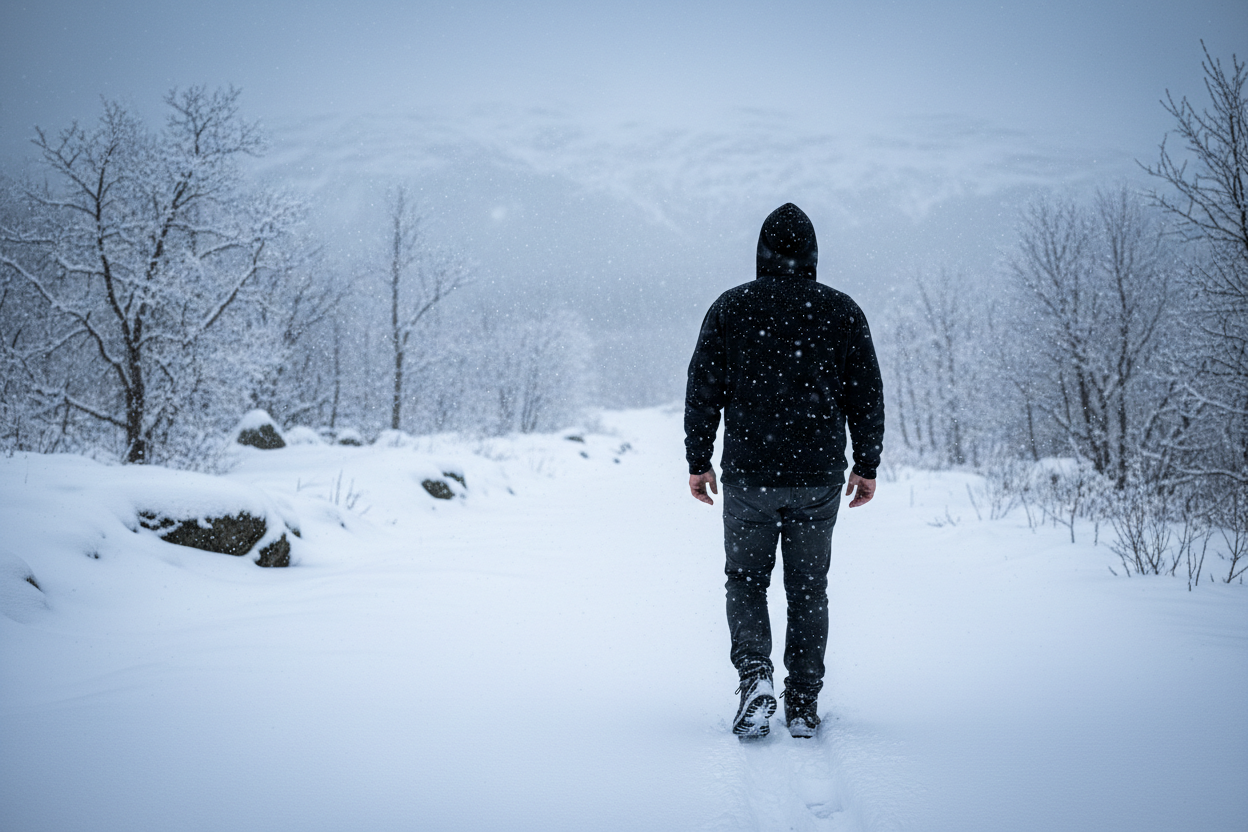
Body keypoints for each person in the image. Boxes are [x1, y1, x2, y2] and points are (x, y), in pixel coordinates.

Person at [684, 203, 884, 739]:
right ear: (813, 254)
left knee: (746, 581)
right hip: (818, 477)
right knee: (807, 586)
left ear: (761, 252)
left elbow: (703, 390)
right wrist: (866, 465)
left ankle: (755, 676)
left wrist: (698, 461)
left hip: (749, 474)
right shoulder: (842, 312)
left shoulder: (731, 307)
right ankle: (802, 703)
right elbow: (866, 396)